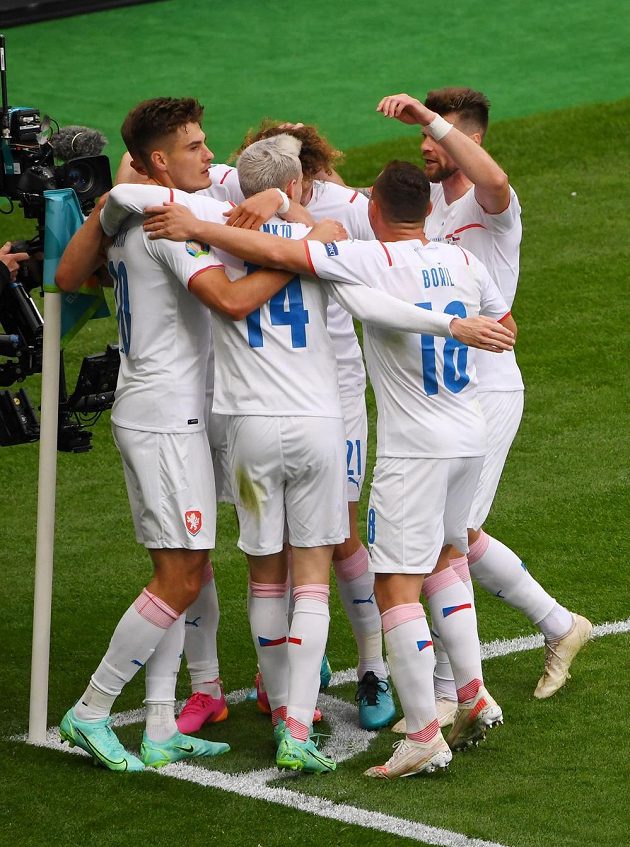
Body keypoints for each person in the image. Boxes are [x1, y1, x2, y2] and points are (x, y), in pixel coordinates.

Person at [140, 159, 517, 778]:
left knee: (394, 583)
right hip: (467, 435)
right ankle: (472, 691)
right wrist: (452, 322)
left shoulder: (366, 258)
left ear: (374, 212)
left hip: (404, 447)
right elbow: (505, 327)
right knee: (449, 558)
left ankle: (422, 732)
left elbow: (275, 256)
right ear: (426, 210)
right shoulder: (466, 262)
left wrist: (196, 223)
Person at [54, 97, 325, 772]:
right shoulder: (166, 225)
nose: (212, 157)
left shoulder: (133, 213)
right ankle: (91, 710)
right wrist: (301, 257)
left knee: (187, 567)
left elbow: (64, 276)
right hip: (164, 418)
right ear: (158, 161)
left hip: (165, 412)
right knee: (177, 577)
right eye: (197, 147)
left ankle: (157, 726)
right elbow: (231, 302)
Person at [377, 89, 591, 709]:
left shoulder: (492, 205)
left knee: (455, 534)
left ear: (464, 137)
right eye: (421, 142)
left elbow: (493, 176)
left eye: (436, 140)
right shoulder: (434, 212)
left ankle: (453, 689)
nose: (426, 150)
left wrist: (432, 121)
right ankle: (557, 626)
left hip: (490, 388)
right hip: (446, 394)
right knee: (450, 535)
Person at [209, 121, 395, 730]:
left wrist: (275, 204)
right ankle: (291, 679)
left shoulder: (216, 228)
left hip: (324, 402)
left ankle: (372, 667)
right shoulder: (325, 228)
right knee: (300, 553)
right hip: (310, 409)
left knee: (333, 539)